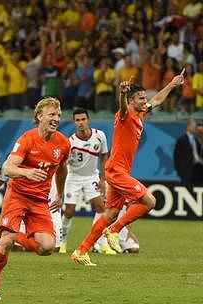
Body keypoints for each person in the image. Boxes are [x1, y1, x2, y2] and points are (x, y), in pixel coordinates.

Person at [71, 70, 186, 266]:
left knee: (111, 214)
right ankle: (114, 231)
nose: (144, 101)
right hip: (116, 170)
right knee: (149, 201)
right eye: (140, 98)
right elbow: (123, 108)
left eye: (144, 98)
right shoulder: (124, 115)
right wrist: (122, 94)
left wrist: (173, 84)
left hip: (120, 171)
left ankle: (81, 251)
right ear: (132, 101)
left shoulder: (141, 113)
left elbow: (156, 101)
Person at [0, 97, 70, 301]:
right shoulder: (26, 139)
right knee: (7, 244)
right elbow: (8, 167)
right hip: (18, 195)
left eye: (58, 115)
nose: (56, 118)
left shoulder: (63, 143)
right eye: (51, 114)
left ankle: (6, 236)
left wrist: (60, 192)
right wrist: (27, 173)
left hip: (39, 200)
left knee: (48, 248)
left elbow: (62, 169)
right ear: (39, 116)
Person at [59, 108, 109, 254]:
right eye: (77, 120)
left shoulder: (100, 136)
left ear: (88, 120)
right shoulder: (70, 142)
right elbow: (63, 164)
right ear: (74, 122)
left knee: (101, 207)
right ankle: (63, 242)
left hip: (91, 176)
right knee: (69, 211)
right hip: (73, 177)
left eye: (83, 119)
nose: (81, 123)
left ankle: (99, 243)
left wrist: (103, 179)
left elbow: (104, 156)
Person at [173, 118, 202, 183]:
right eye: (193, 127)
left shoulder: (196, 140)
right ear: (188, 127)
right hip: (186, 171)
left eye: (195, 127)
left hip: (197, 170)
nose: (195, 128)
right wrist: (179, 170)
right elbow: (176, 156)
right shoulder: (182, 139)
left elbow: (198, 153)